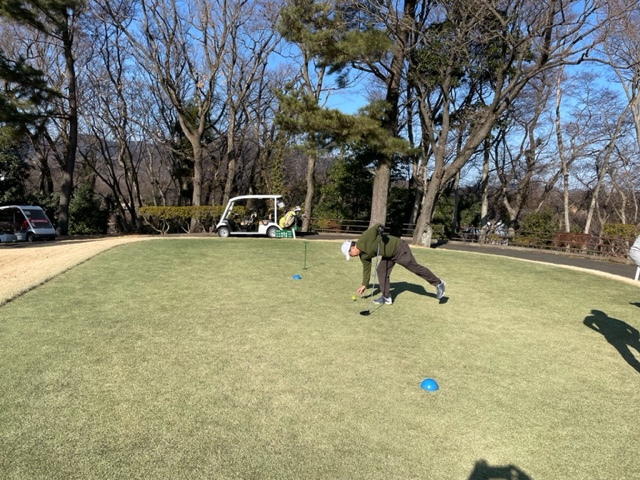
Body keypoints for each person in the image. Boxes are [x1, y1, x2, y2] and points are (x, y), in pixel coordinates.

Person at [341, 223, 445, 305]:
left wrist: (380, 228)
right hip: (388, 256)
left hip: (398, 248)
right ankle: (386, 297)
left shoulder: (364, 238)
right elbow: (366, 269)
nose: (351, 256)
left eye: (350, 254)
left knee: (414, 267)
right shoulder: (363, 256)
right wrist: (364, 284)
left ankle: (438, 283)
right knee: (381, 271)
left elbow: (376, 226)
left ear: (352, 247)